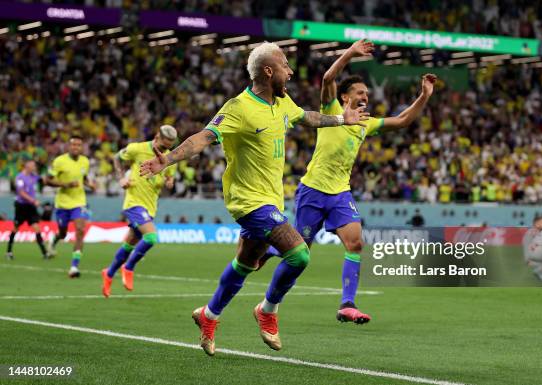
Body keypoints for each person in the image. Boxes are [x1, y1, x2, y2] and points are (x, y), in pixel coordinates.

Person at [139, 42, 368, 356]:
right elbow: (202, 138)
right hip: (248, 201)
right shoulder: (238, 107)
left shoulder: (282, 103)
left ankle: (208, 315)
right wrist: (168, 159)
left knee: (245, 264)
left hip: (272, 200)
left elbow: (310, 118)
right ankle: (268, 310)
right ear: (269, 71)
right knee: (299, 254)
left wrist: (343, 120)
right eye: (285, 65)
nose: (290, 71)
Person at [262, 39, 436, 324]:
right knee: (299, 252)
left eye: (367, 93)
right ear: (344, 97)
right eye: (359, 92)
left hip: (340, 193)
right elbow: (329, 77)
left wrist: (424, 96)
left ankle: (347, 304)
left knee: (355, 244)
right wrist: (350, 53)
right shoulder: (332, 110)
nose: (365, 96)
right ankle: (269, 262)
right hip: (313, 190)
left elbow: (403, 120)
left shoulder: (365, 123)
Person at [101, 126, 177, 298]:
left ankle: (109, 273)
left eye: (169, 147)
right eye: (164, 146)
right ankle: (128, 267)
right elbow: (116, 158)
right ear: (157, 136)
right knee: (150, 237)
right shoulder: (137, 149)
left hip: (150, 206)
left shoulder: (170, 157)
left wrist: (170, 181)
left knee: (130, 243)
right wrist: (121, 177)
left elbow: (169, 175)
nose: (166, 150)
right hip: (134, 202)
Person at [45, 135, 96, 278]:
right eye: (73, 145)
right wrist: (65, 185)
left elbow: (83, 178)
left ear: (82, 147)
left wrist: (90, 184)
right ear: (69, 146)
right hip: (62, 203)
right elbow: (47, 180)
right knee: (63, 233)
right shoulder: (59, 161)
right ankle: (54, 240)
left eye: (78, 145)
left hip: (79, 202)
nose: (76, 147)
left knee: (80, 230)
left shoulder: (85, 161)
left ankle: (74, 266)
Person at [6, 160, 49, 260]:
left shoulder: (34, 176)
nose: (34, 167)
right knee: (16, 228)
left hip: (30, 207)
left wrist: (45, 172)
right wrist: (33, 200)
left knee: (36, 227)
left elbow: (44, 180)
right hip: (21, 206)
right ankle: (9, 251)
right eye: (33, 165)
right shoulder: (20, 177)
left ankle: (45, 253)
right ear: (27, 166)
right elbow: (21, 192)